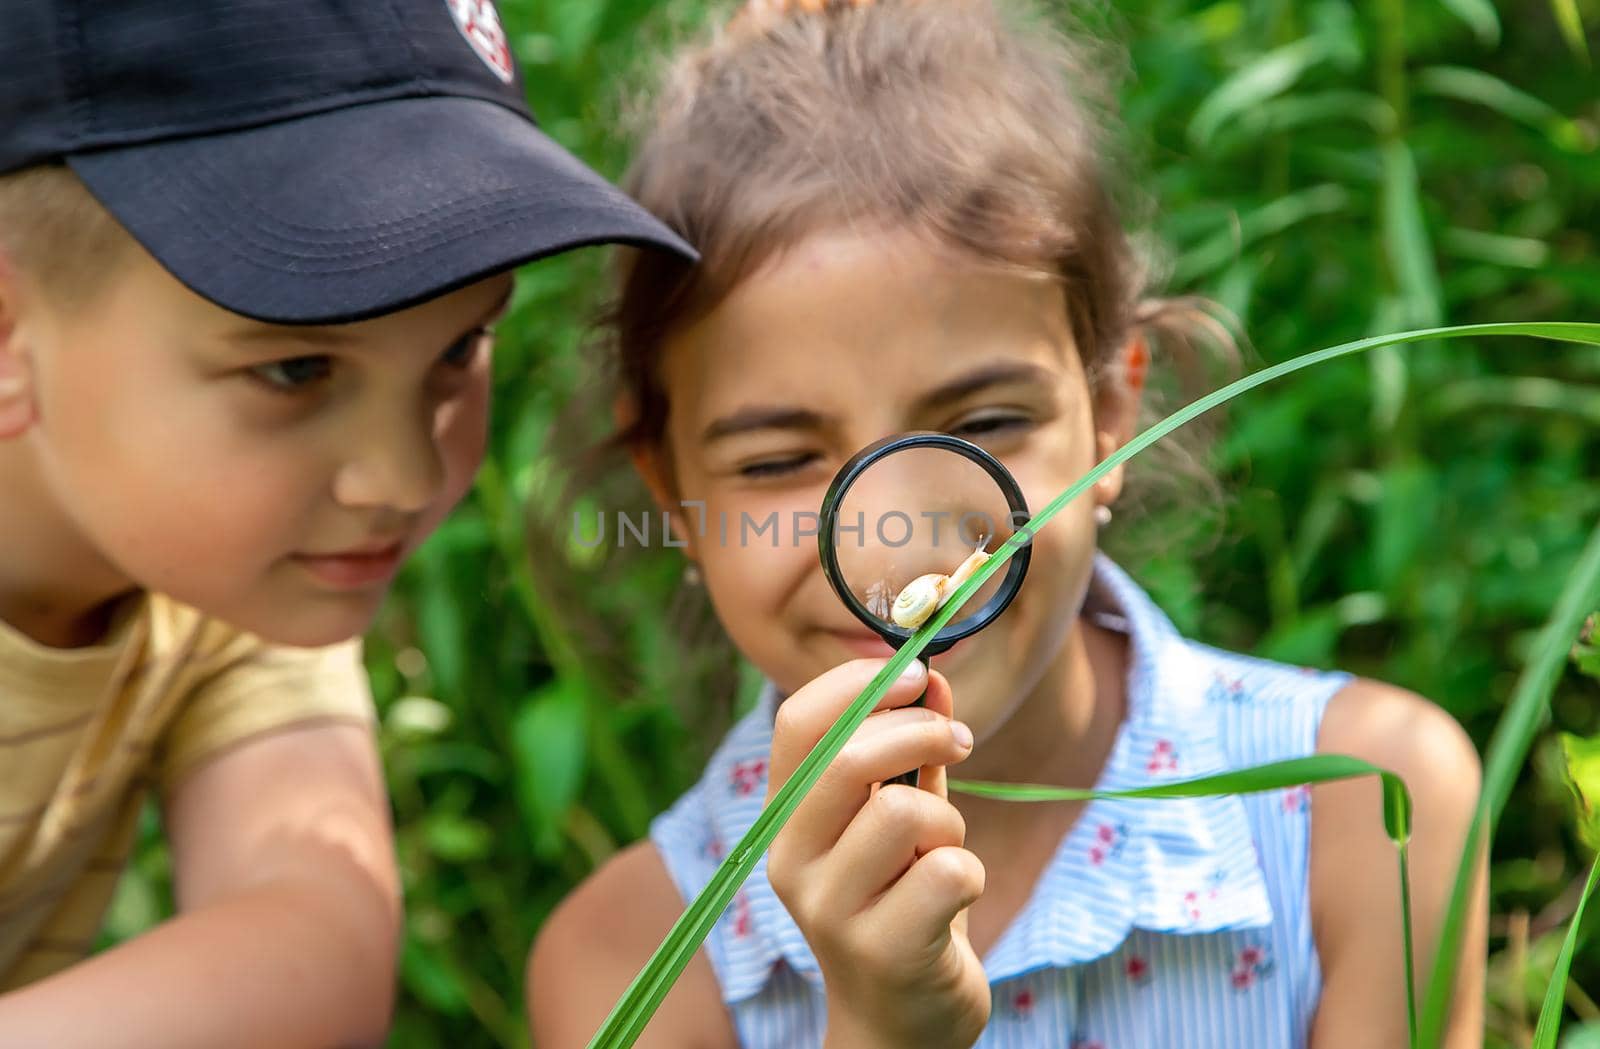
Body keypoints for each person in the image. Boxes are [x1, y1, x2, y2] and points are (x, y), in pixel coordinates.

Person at [528, 1, 1486, 1047]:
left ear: (1110, 409)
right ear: (671, 489)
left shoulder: (1361, 807)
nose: (895, 543)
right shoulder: (635, 962)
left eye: (984, 421)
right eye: (778, 461)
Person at [0, 1, 693, 1045]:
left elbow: (314, 950)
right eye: (294, 368)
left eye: (460, 348)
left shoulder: (223, 576)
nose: (404, 475)